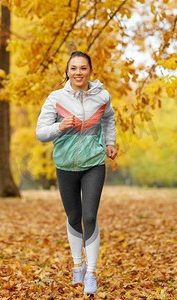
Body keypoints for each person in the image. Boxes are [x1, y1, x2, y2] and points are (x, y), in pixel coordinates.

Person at [36, 51, 117, 294]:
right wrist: (59, 126)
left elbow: (109, 119)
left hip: (93, 163)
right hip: (64, 166)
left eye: (83, 68)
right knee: (74, 217)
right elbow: (40, 133)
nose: (78, 72)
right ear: (67, 71)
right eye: (74, 68)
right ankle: (77, 266)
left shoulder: (102, 96)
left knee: (89, 217)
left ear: (90, 71)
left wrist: (110, 143)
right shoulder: (55, 98)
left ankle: (91, 273)